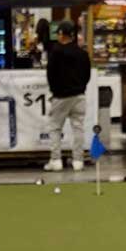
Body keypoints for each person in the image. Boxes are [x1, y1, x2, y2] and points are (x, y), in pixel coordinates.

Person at [44, 20, 90, 173]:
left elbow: (51, 75)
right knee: (78, 128)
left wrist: (55, 90)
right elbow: (87, 75)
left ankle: (56, 160)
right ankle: (78, 161)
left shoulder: (55, 53)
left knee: (55, 128)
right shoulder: (82, 53)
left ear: (62, 34)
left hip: (61, 96)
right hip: (79, 95)